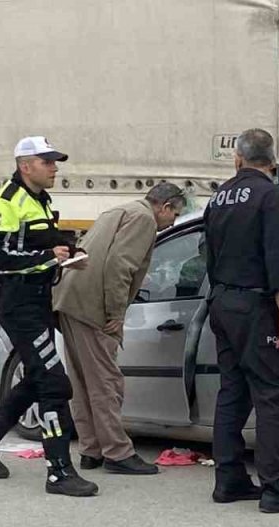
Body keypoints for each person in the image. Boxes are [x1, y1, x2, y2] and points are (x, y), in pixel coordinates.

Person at [0, 136, 99, 497]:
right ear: (26, 166)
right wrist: (50, 259)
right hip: (18, 303)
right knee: (54, 383)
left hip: (39, 299)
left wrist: (71, 251)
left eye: (55, 162)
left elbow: (47, 240)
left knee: (39, 376)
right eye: (48, 162)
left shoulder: (40, 199)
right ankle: (58, 473)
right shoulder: (3, 203)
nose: (55, 168)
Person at [204, 128, 279, 514]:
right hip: (256, 306)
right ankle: (275, 485)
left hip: (222, 302)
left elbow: (209, 254)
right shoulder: (272, 197)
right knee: (272, 395)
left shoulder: (218, 197)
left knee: (232, 392)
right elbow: (277, 258)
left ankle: (228, 478)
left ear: (237, 159)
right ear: (272, 163)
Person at [53, 183, 186, 475]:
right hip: (92, 307)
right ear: (164, 207)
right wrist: (116, 313)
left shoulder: (120, 210)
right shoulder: (143, 219)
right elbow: (119, 266)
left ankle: (91, 450)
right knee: (106, 382)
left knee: (83, 381)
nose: (172, 222)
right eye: (173, 215)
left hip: (70, 299)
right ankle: (117, 452)